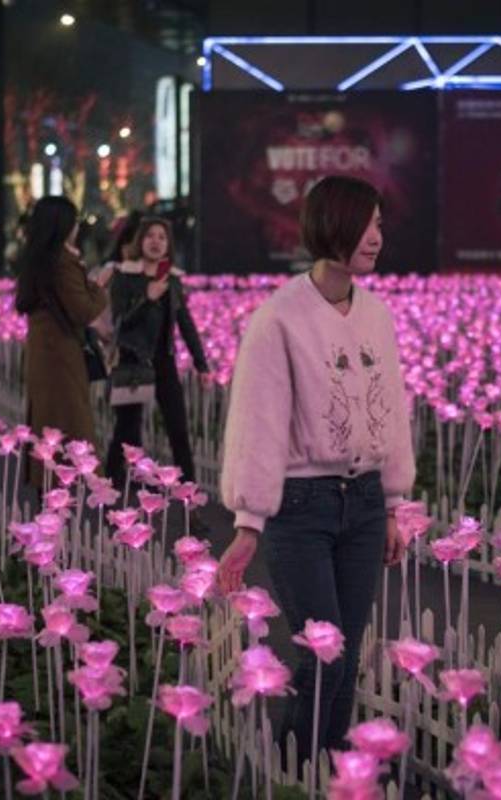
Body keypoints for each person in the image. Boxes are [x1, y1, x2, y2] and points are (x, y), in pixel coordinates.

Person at [216, 175, 415, 756]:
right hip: (302, 507)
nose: (377, 237)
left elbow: (393, 412)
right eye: (367, 224)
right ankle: (296, 774)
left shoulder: (375, 313)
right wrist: (249, 523)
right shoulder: (278, 317)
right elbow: (259, 421)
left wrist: (394, 506)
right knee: (320, 654)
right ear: (333, 226)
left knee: (347, 655)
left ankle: (333, 775)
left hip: (365, 501)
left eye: (379, 224)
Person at [102, 215, 209, 483]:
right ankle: (110, 490)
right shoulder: (125, 277)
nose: (156, 242)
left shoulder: (172, 280)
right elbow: (120, 323)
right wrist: (146, 299)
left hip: (164, 362)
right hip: (131, 361)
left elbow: (186, 324)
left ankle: (190, 500)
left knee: (179, 431)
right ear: (140, 241)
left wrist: (201, 364)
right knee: (126, 431)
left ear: (168, 245)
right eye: (150, 236)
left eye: (162, 238)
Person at [14, 196, 108, 487]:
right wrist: (99, 287)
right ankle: (61, 496)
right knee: (67, 425)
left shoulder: (36, 258)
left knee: (47, 426)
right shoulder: (62, 263)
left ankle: (49, 492)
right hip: (61, 358)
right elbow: (83, 311)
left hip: (44, 354)